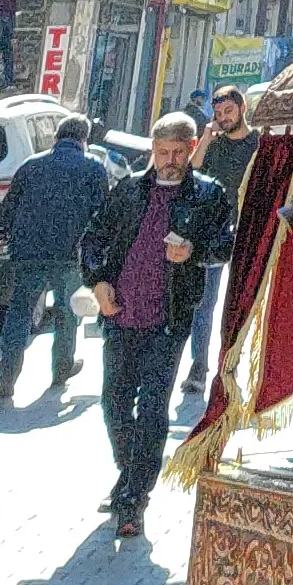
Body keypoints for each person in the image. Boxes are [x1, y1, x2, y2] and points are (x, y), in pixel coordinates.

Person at [78, 110, 233, 541]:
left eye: (177, 152)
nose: (169, 159)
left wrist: (195, 249)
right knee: (113, 403)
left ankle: (133, 499)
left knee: (152, 410)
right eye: (162, 152)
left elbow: (225, 242)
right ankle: (130, 474)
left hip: (168, 320)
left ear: (190, 151)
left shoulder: (207, 195)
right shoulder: (127, 190)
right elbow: (93, 238)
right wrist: (98, 282)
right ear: (152, 150)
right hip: (120, 314)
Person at [0, 112, 109, 407]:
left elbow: (8, 209)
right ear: (84, 140)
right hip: (70, 253)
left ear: (56, 137)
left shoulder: (31, 165)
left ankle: (7, 377)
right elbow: (105, 215)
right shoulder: (93, 168)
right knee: (66, 313)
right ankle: (61, 369)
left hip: (28, 252)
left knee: (20, 312)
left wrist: (8, 237)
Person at [180, 84, 257, 408]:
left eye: (229, 112)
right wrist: (207, 137)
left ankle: (232, 363)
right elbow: (192, 171)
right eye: (219, 113)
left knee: (240, 303)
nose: (224, 118)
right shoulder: (215, 143)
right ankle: (199, 367)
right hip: (212, 231)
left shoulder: (257, 143)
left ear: (241, 109)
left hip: (247, 229)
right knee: (204, 304)